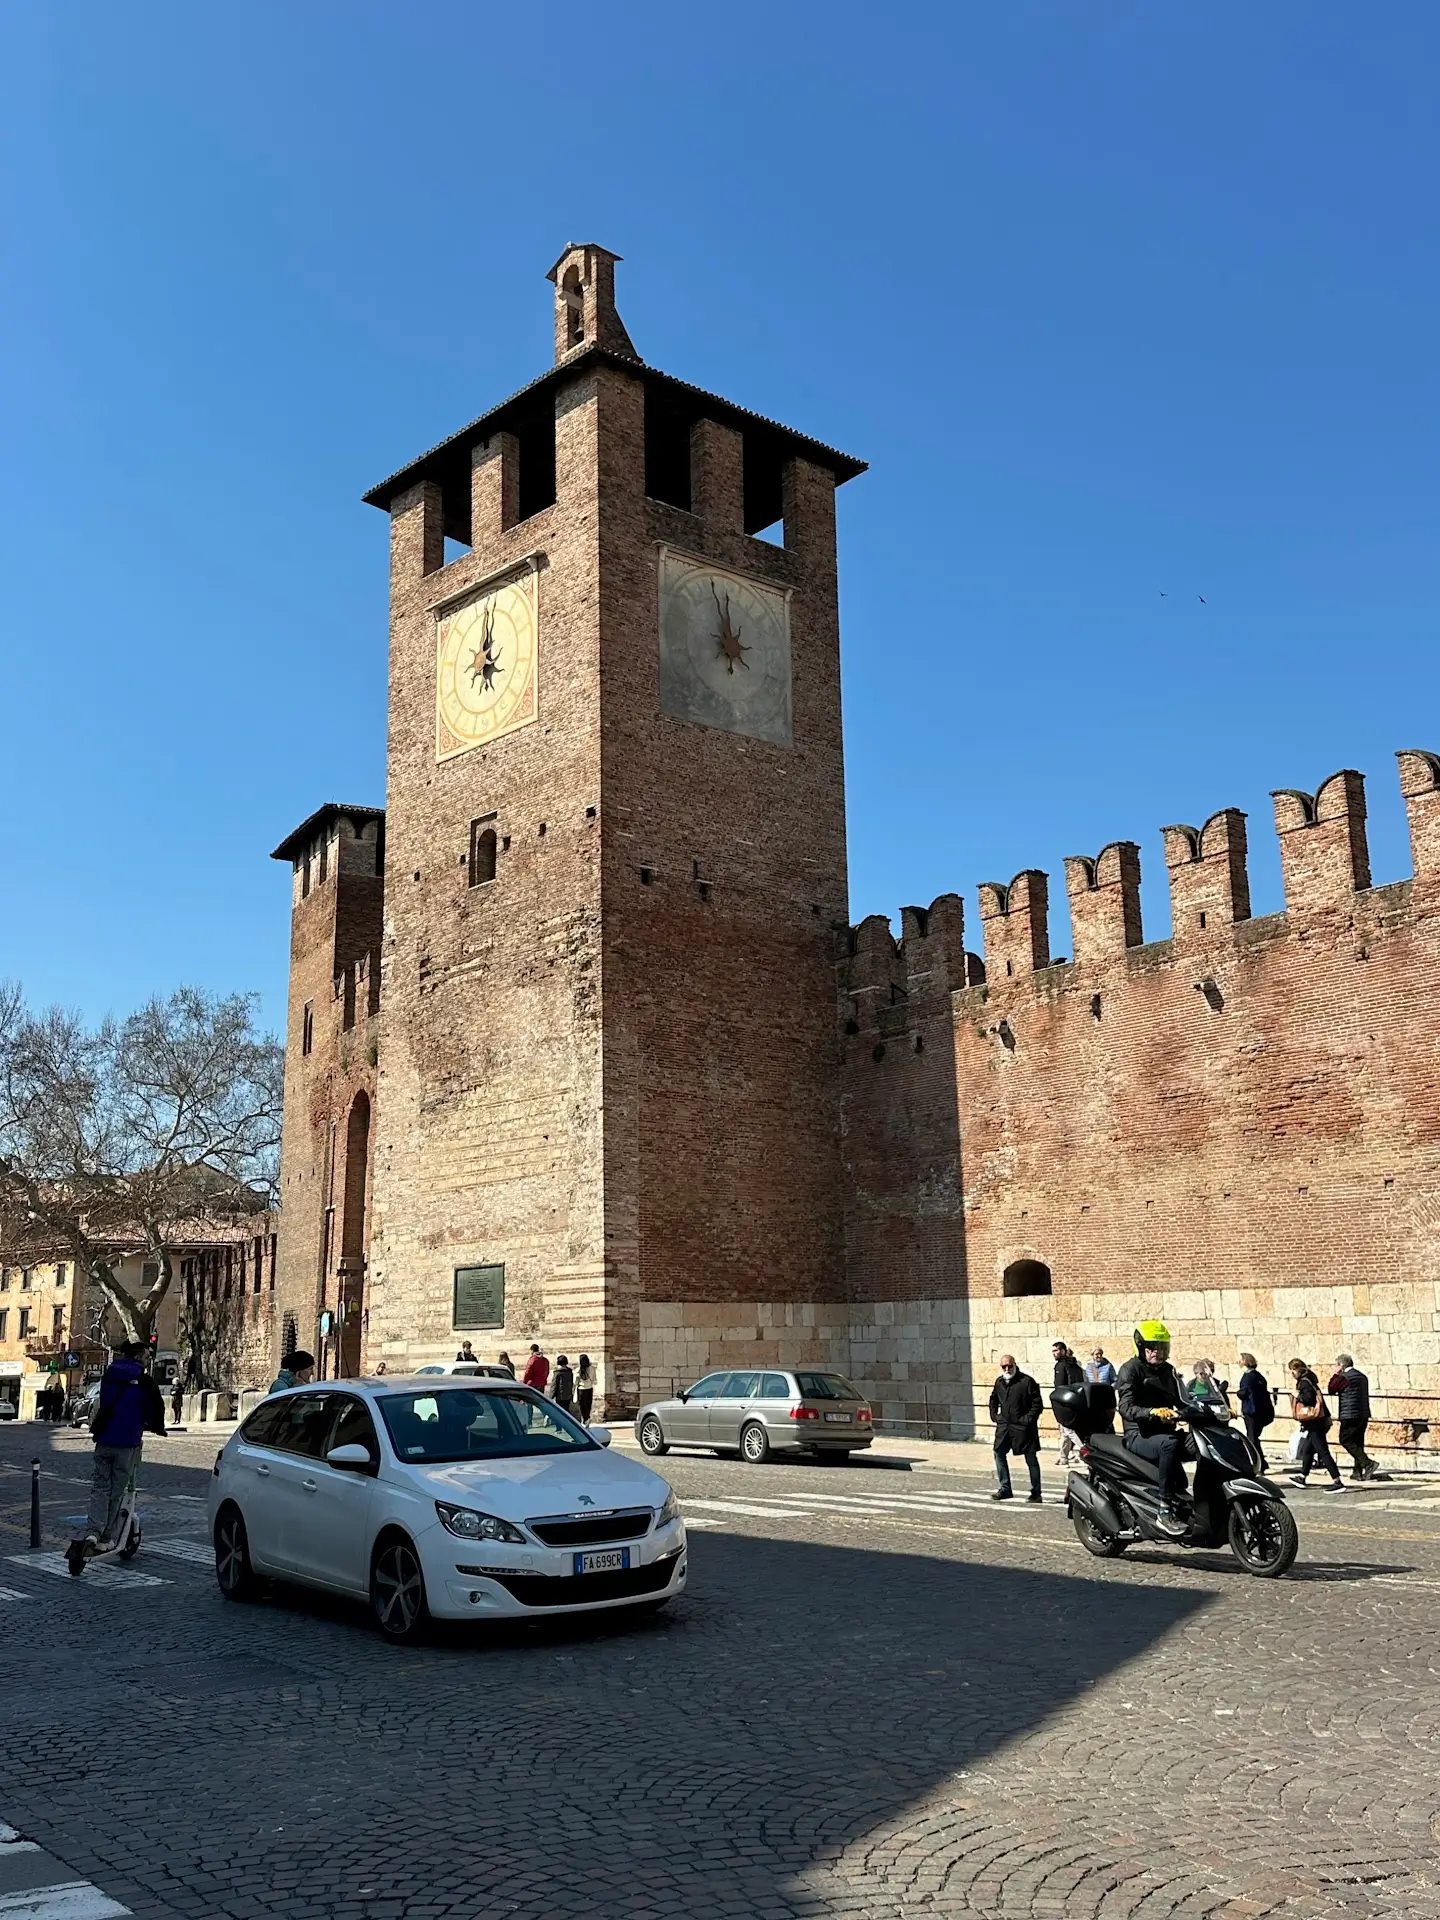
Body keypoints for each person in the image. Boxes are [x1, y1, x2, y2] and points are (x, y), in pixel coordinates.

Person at [81, 1341, 166, 1551]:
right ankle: (105, 1537)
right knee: (117, 1492)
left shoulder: (110, 1374)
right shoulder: (144, 1381)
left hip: (104, 1438)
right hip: (127, 1442)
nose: (148, 1361)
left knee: (100, 1487)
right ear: (138, 1358)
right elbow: (154, 1407)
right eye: (146, 1357)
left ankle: (92, 1532)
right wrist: (156, 1426)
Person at [1115, 1320, 1196, 1536]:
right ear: (1140, 1348)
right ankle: (1164, 1510)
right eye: (1152, 1348)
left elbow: (1181, 1399)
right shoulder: (1129, 1370)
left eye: (1162, 1347)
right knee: (1169, 1445)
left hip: (1166, 1431)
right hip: (1139, 1434)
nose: (1158, 1352)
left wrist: (1208, 1408)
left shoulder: (1168, 1371)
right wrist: (1150, 1412)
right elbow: (1125, 1407)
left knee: (1201, 1442)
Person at [989, 1354, 1043, 1503]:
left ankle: (1036, 1492)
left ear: (1014, 1365)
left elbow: (1037, 1404)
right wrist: (995, 1416)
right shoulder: (999, 1382)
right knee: (998, 1453)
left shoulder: (1027, 1381)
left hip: (1023, 1428)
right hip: (1005, 1426)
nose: (1007, 1369)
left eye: (1009, 1366)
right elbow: (993, 1399)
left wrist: (1027, 1420)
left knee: (1031, 1458)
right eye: (1004, 1366)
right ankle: (1005, 1488)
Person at [1287, 1358, 1345, 1492]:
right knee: (1308, 1449)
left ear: (1297, 1370)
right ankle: (1302, 1476)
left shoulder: (1304, 1382)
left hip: (1314, 1422)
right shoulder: (1310, 1379)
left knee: (1323, 1451)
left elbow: (1309, 1399)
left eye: (1292, 1371)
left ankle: (1337, 1481)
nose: (1292, 1374)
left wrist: (1297, 1396)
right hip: (1319, 1420)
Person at [1328, 1353, 1378, 1481]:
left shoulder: (1343, 1377)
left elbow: (1331, 1389)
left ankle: (1368, 1463)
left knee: (1345, 1439)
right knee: (1358, 1442)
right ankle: (1357, 1472)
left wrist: (1336, 1374)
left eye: (1336, 1365)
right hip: (1363, 1413)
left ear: (1341, 1365)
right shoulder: (1362, 1377)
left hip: (1349, 1414)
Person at [1235, 1352, 1274, 1469]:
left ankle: (1257, 1463)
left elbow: (1244, 1392)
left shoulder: (1247, 1377)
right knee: (1254, 1437)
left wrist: (1239, 1393)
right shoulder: (1258, 1376)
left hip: (1251, 1410)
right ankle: (1262, 1462)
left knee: (1251, 1438)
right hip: (1261, 1411)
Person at [1051, 1341, 1085, 1467]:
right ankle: (1063, 1457)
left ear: (1064, 1350)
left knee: (1069, 1430)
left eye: (1057, 1350)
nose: (1054, 1353)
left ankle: (1085, 1450)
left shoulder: (1061, 1366)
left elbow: (1059, 1387)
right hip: (1077, 1399)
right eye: (1053, 1351)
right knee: (1064, 1431)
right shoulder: (1075, 1365)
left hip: (1065, 1402)